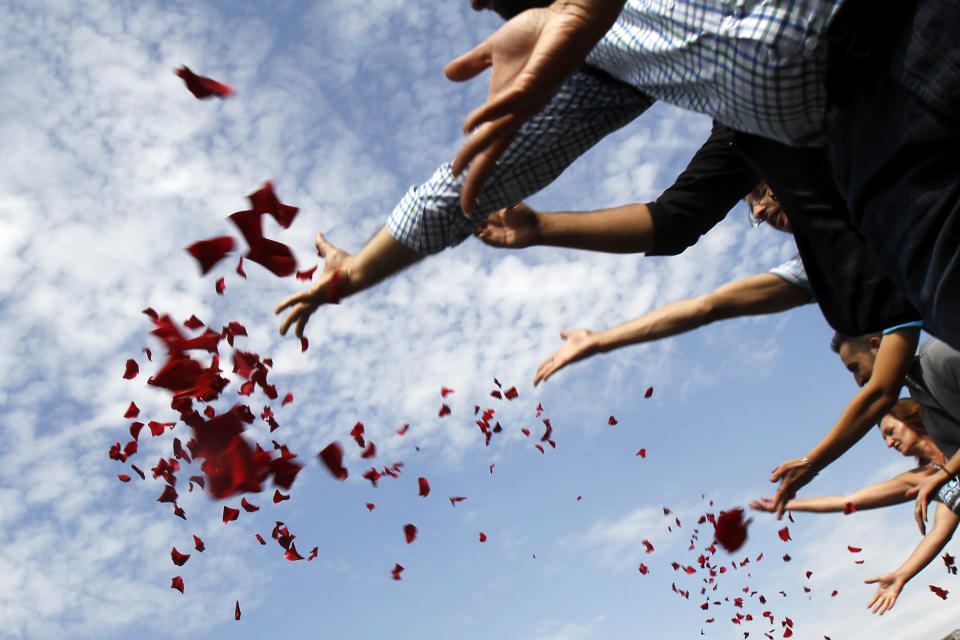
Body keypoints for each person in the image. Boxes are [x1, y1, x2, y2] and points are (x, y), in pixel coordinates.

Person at [276, 3, 921, 348]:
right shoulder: (603, 55)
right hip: (908, 184)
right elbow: (674, 219)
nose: (475, 3)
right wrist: (358, 271)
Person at [448, 0, 960, 350]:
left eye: (758, 193)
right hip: (912, 189)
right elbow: (675, 221)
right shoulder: (742, 118)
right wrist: (543, 229)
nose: (759, 208)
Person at [476, 189, 812, 385]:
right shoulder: (813, 269)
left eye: (761, 193)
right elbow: (708, 307)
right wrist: (599, 340)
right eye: (752, 206)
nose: (759, 209)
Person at [752, 399, 960, 615]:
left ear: (910, 416)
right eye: (885, 438)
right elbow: (849, 501)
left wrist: (944, 475)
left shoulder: (951, 433)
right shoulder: (923, 479)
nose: (889, 443)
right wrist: (902, 574)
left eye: (891, 431)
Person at [771, 332, 960, 537]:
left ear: (877, 345)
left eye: (855, 367)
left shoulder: (942, 356)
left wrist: (944, 474)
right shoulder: (928, 409)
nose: (859, 382)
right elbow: (850, 501)